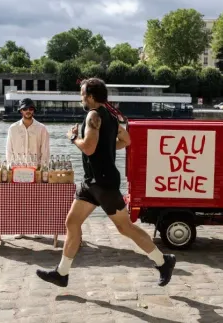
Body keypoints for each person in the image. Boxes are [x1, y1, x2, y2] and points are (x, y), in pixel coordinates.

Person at [35, 77, 176, 287]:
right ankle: (62, 273)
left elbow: (89, 148)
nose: (81, 98)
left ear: (90, 97)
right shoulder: (110, 116)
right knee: (72, 223)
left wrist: (73, 137)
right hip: (91, 183)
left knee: (125, 227)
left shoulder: (93, 115)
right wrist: (107, 147)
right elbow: (126, 140)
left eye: (82, 94)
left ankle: (163, 261)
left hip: (103, 182)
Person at [4, 97, 50, 240]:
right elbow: (8, 150)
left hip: (35, 169)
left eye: (30, 109)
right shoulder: (13, 128)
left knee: (36, 200)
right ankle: (20, 228)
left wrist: (42, 169)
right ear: (20, 111)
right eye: (25, 109)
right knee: (19, 201)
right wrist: (10, 166)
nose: (28, 111)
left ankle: (37, 228)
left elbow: (45, 151)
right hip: (18, 169)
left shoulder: (42, 128)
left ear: (34, 110)